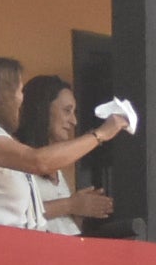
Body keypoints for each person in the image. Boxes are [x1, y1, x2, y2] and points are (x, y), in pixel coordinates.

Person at [0, 54, 122, 229]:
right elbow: (39, 161)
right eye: (19, 91)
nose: (22, 99)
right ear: (0, 95)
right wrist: (101, 134)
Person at [12, 74, 112, 233]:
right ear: (43, 109)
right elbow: (13, 214)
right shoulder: (15, 156)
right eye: (67, 111)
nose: (74, 121)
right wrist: (70, 205)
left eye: (74, 112)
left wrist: (80, 209)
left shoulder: (57, 166)